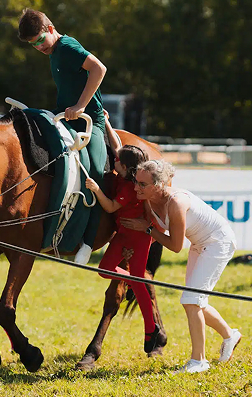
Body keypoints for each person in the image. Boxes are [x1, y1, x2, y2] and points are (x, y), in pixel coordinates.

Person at [122, 160, 240, 374]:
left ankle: (199, 361)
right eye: (135, 182)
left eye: (142, 184)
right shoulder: (148, 201)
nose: (136, 188)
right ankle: (230, 335)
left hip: (218, 242)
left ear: (159, 185)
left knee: (191, 300)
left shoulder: (176, 203)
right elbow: (154, 235)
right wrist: (133, 249)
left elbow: (175, 246)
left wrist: (147, 229)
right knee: (195, 301)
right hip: (199, 244)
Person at [18, 8, 108, 264]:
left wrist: (81, 106)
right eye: (32, 44)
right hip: (66, 120)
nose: (38, 47)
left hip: (89, 122)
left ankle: (88, 242)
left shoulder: (66, 46)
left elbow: (99, 69)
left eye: (39, 40)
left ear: (50, 29)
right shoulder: (53, 51)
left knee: (95, 173)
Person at [85, 143, 164, 354]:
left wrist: (96, 189)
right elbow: (117, 146)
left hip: (138, 238)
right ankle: (137, 280)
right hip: (122, 235)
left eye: (117, 160)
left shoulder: (129, 187)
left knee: (136, 281)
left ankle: (151, 329)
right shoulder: (121, 176)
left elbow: (111, 207)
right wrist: (108, 126)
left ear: (126, 167)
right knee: (105, 270)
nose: (114, 160)